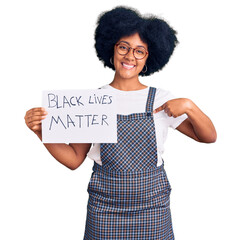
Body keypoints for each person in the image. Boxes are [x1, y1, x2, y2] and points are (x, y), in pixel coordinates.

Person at [24, 6, 217, 240]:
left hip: (153, 208)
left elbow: (208, 137)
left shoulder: (161, 99)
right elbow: (74, 159)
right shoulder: (93, 101)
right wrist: (42, 132)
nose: (129, 56)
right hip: (105, 208)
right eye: (124, 47)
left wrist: (189, 106)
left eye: (139, 51)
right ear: (111, 49)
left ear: (149, 57)